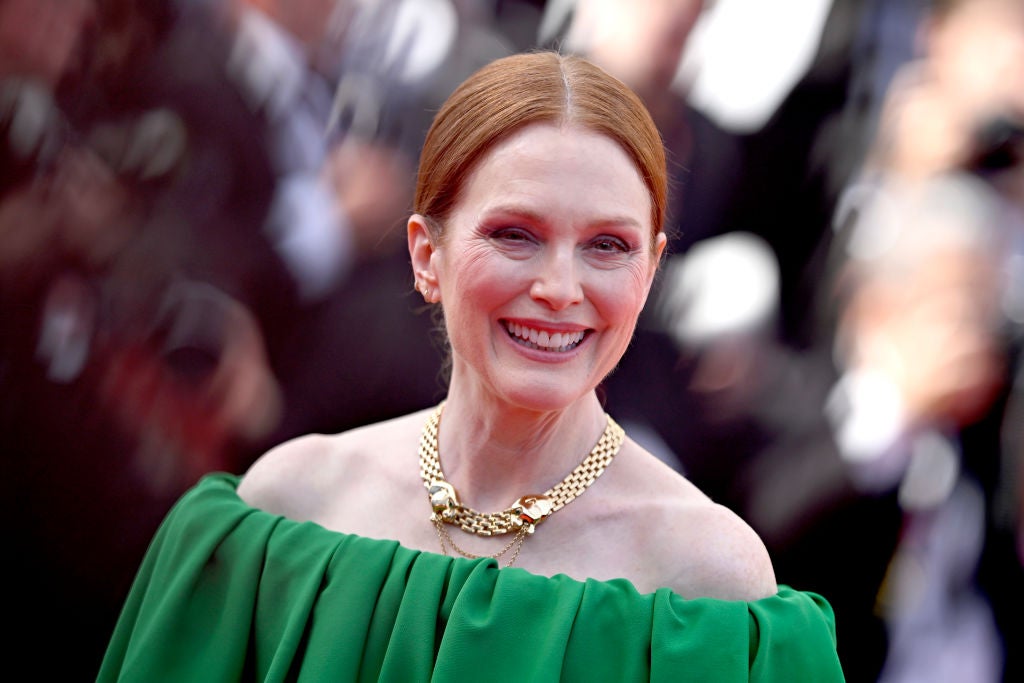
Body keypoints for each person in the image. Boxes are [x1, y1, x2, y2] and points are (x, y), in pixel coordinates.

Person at [98, 51, 845, 681]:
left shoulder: (709, 587)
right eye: (515, 234)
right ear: (427, 253)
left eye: (607, 246)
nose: (559, 288)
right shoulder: (286, 512)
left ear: (649, 273)